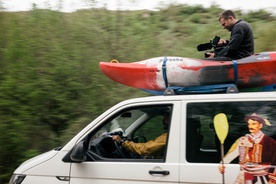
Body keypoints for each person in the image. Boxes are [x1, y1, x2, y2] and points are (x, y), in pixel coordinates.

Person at [218, 113, 276, 183]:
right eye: (249, 124)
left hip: (263, 177)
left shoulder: (269, 141)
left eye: (253, 124)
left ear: (260, 125)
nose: (250, 126)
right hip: (245, 176)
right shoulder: (242, 140)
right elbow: (231, 155)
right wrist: (222, 164)